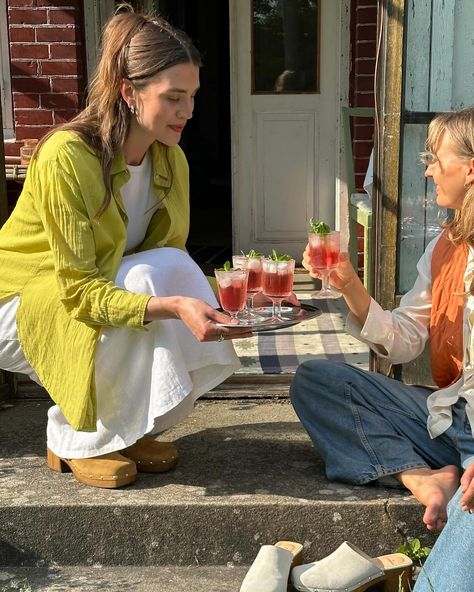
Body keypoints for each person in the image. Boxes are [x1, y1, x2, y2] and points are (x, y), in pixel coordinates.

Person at [0, 5, 252, 489]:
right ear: (128, 93)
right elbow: (79, 292)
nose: (189, 112)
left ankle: (125, 427)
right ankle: (75, 437)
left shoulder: (169, 159)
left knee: (168, 271)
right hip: (21, 304)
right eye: (174, 97)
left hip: (79, 294)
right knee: (147, 289)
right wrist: (174, 305)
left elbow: (166, 262)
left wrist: (224, 309)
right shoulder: (67, 157)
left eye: (193, 96)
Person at [290, 107, 474, 538]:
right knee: (317, 381)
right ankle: (421, 477)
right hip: (450, 418)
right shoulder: (444, 247)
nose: (428, 172)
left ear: (470, 169)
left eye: (434, 159)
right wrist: (349, 282)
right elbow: (406, 340)